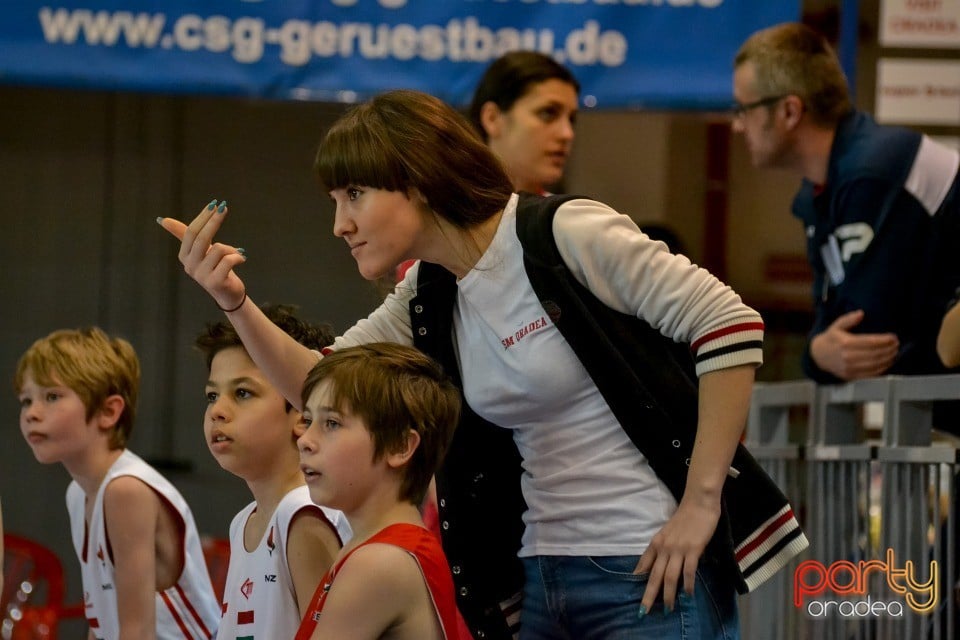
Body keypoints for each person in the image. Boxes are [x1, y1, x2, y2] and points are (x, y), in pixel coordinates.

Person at [159, 89, 807, 640]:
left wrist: (700, 505)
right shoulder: (431, 293)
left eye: (353, 193)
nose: (339, 223)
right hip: (537, 578)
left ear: (416, 179)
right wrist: (234, 302)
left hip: (647, 571)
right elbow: (319, 385)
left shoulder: (563, 232)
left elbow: (729, 324)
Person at [732, 22, 960, 384]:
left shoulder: (875, 169)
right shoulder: (817, 196)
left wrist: (819, 352)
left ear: (790, 111)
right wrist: (816, 352)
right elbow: (828, 325)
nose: (737, 126)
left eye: (744, 109)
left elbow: (871, 337)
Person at [15, 327, 220, 640]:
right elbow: (102, 620)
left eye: (51, 396)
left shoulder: (126, 490)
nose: (32, 413)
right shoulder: (78, 492)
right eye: (26, 400)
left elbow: (137, 631)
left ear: (109, 411)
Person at [193, 303, 352, 639]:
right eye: (211, 396)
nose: (217, 411)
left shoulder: (302, 516)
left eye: (242, 393)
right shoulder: (243, 522)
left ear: (300, 412)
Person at [293, 343, 462, 640]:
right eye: (308, 421)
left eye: (331, 423)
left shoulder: (380, 562)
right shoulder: (374, 547)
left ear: (399, 446)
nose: (305, 440)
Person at [468, 51, 579, 195]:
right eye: (548, 113)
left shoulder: (565, 215)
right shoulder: (441, 212)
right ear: (492, 119)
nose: (567, 134)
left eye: (571, 119)